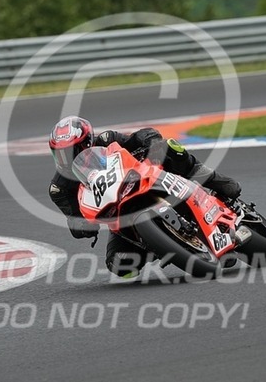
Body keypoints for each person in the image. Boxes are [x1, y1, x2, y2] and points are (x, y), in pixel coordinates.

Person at [48, 115, 241, 277]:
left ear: (87, 142)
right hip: (118, 214)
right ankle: (162, 244)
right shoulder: (60, 188)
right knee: (120, 266)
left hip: (144, 179)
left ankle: (215, 181)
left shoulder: (107, 140)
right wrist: (82, 227)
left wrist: (149, 141)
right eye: (60, 154)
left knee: (168, 148)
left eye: (70, 152)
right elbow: (74, 217)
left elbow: (140, 136)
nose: (66, 159)